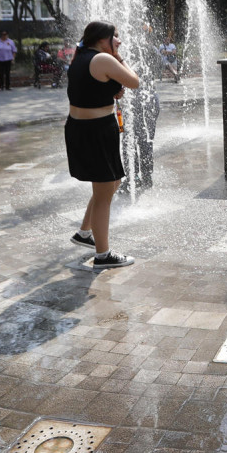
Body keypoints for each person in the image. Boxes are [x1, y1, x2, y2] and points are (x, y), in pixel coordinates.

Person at [66, 21, 141, 268]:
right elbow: (134, 81)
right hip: (95, 131)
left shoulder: (82, 56)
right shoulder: (103, 59)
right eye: (115, 37)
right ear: (102, 39)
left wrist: (110, 90)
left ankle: (85, 233)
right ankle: (103, 255)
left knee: (108, 185)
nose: (118, 41)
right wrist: (119, 58)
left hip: (83, 128)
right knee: (105, 191)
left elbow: (89, 88)